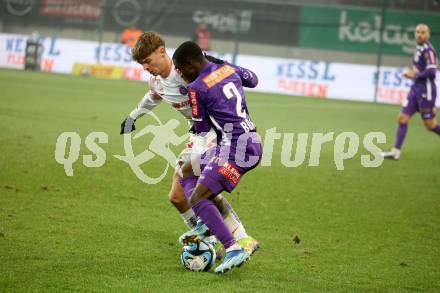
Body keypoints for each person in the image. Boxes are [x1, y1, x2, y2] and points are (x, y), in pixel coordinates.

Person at [119, 32, 259, 255]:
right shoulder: (157, 83)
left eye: (147, 61)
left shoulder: (187, 69)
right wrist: (133, 117)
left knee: (195, 185)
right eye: (142, 64)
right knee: (177, 197)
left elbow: (221, 82)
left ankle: (239, 238)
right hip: (197, 135)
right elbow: (151, 98)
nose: (145, 67)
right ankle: (207, 235)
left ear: (161, 51)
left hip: (216, 134)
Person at [172, 41, 262, 273]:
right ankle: (206, 224)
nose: (180, 75)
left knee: (198, 198)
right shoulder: (227, 69)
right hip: (249, 142)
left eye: (181, 70)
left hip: (235, 149)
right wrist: (223, 63)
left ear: (191, 64)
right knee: (186, 172)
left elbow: (201, 128)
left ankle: (234, 247)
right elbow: (253, 79)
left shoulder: (196, 87)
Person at [382, 24, 439, 160]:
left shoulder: (428, 50)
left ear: (428, 34)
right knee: (402, 118)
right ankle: (396, 151)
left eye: (423, 32)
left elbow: (432, 71)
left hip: (426, 90)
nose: (419, 35)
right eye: (417, 32)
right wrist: (415, 74)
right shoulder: (418, 47)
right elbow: (420, 67)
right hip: (415, 89)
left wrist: (414, 75)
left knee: (430, 125)